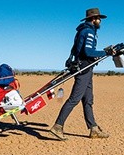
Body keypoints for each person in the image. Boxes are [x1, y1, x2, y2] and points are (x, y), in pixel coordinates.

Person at [49, 8, 116, 140]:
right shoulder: (89, 31)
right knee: (74, 99)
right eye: (99, 18)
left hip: (86, 68)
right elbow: (88, 52)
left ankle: (93, 129)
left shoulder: (83, 30)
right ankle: (58, 126)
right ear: (93, 19)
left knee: (88, 100)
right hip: (84, 68)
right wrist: (105, 53)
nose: (100, 21)